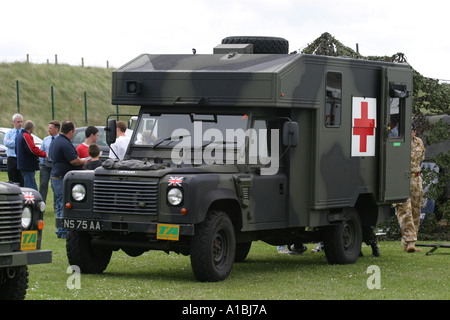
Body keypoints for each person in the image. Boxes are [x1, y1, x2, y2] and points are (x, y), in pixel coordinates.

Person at [49, 121, 87, 238]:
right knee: (63, 205)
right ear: (71, 131)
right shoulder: (65, 143)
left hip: (55, 176)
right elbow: (73, 161)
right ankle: (62, 231)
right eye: (74, 131)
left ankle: (60, 231)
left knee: (60, 204)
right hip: (61, 178)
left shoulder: (55, 141)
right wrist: (83, 160)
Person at [393, 122, 425, 252]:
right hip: (402, 179)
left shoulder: (419, 142)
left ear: (415, 132)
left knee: (416, 210)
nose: (410, 133)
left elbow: (422, 158)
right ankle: (410, 240)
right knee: (404, 210)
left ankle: (409, 243)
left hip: (416, 179)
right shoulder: (398, 142)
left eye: (411, 130)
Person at [16, 120, 47, 190]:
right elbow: (32, 149)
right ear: (31, 128)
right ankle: (33, 200)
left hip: (22, 163)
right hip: (27, 165)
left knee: (27, 183)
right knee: (30, 186)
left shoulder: (19, 135)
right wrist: (44, 154)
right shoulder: (26, 136)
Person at [39, 120, 60, 204]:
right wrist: (42, 163)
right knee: (43, 184)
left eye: (50, 128)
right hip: (46, 164)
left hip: (56, 164)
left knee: (54, 185)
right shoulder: (46, 139)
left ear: (56, 129)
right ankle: (42, 203)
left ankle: (56, 204)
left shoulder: (60, 140)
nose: (48, 130)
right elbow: (42, 151)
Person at [4, 114, 24, 186]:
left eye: (21, 122)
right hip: (12, 159)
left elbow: (24, 144)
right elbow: (6, 143)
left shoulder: (24, 133)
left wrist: (12, 142)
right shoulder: (9, 133)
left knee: (22, 179)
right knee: (12, 180)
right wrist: (18, 142)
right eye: (18, 122)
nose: (20, 124)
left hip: (21, 158)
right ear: (14, 122)